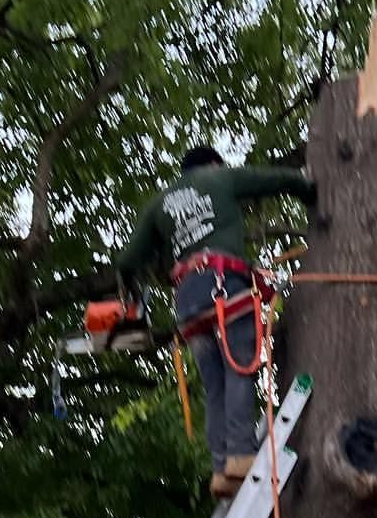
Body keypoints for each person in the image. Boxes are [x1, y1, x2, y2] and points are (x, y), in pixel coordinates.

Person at [118, 146, 315, 499]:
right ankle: (240, 454)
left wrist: (132, 298)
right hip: (223, 289)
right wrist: (311, 192)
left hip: (188, 305)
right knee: (239, 367)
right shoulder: (220, 178)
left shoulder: (160, 204)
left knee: (215, 386)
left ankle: (222, 469)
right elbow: (275, 179)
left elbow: (129, 260)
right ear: (212, 163)